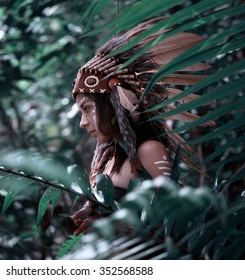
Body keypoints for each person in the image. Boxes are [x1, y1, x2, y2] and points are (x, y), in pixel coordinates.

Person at [70, 17, 214, 235]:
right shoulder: (108, 157)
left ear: (115, 102)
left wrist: (110, 226)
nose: (83, 122)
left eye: (88, 108)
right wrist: (93, 211)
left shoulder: (148, 150)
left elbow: (173, 223)